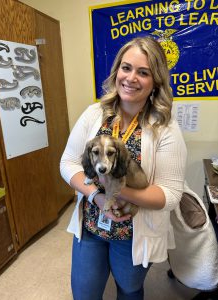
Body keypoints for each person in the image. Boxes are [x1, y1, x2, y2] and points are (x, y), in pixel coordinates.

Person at [60, 36, 187, 300]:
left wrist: (115, 188)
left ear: (155, 82)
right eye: (126, 67)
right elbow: (68, 163)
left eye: (143, 72)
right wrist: (98, 195)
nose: (131, 78)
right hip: (93, 224)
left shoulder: (165, 127)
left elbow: (171, 194)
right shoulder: (94, 114)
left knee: (129, 289)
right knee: (84, 293)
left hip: (134, 232)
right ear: (117, 70)